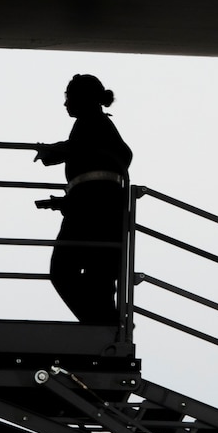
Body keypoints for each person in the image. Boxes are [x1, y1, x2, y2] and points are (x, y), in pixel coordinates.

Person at [33, 73, 134, 324]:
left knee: (63, 271)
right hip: (102, 210)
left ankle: (101, 323)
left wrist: (51, 151)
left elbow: (79, 149)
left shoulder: (91, 124)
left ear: (83, 99)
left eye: (69, 98)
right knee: (99, 277)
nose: (66, 104)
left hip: (90, 212)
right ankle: (104, 324)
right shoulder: (97, 125)